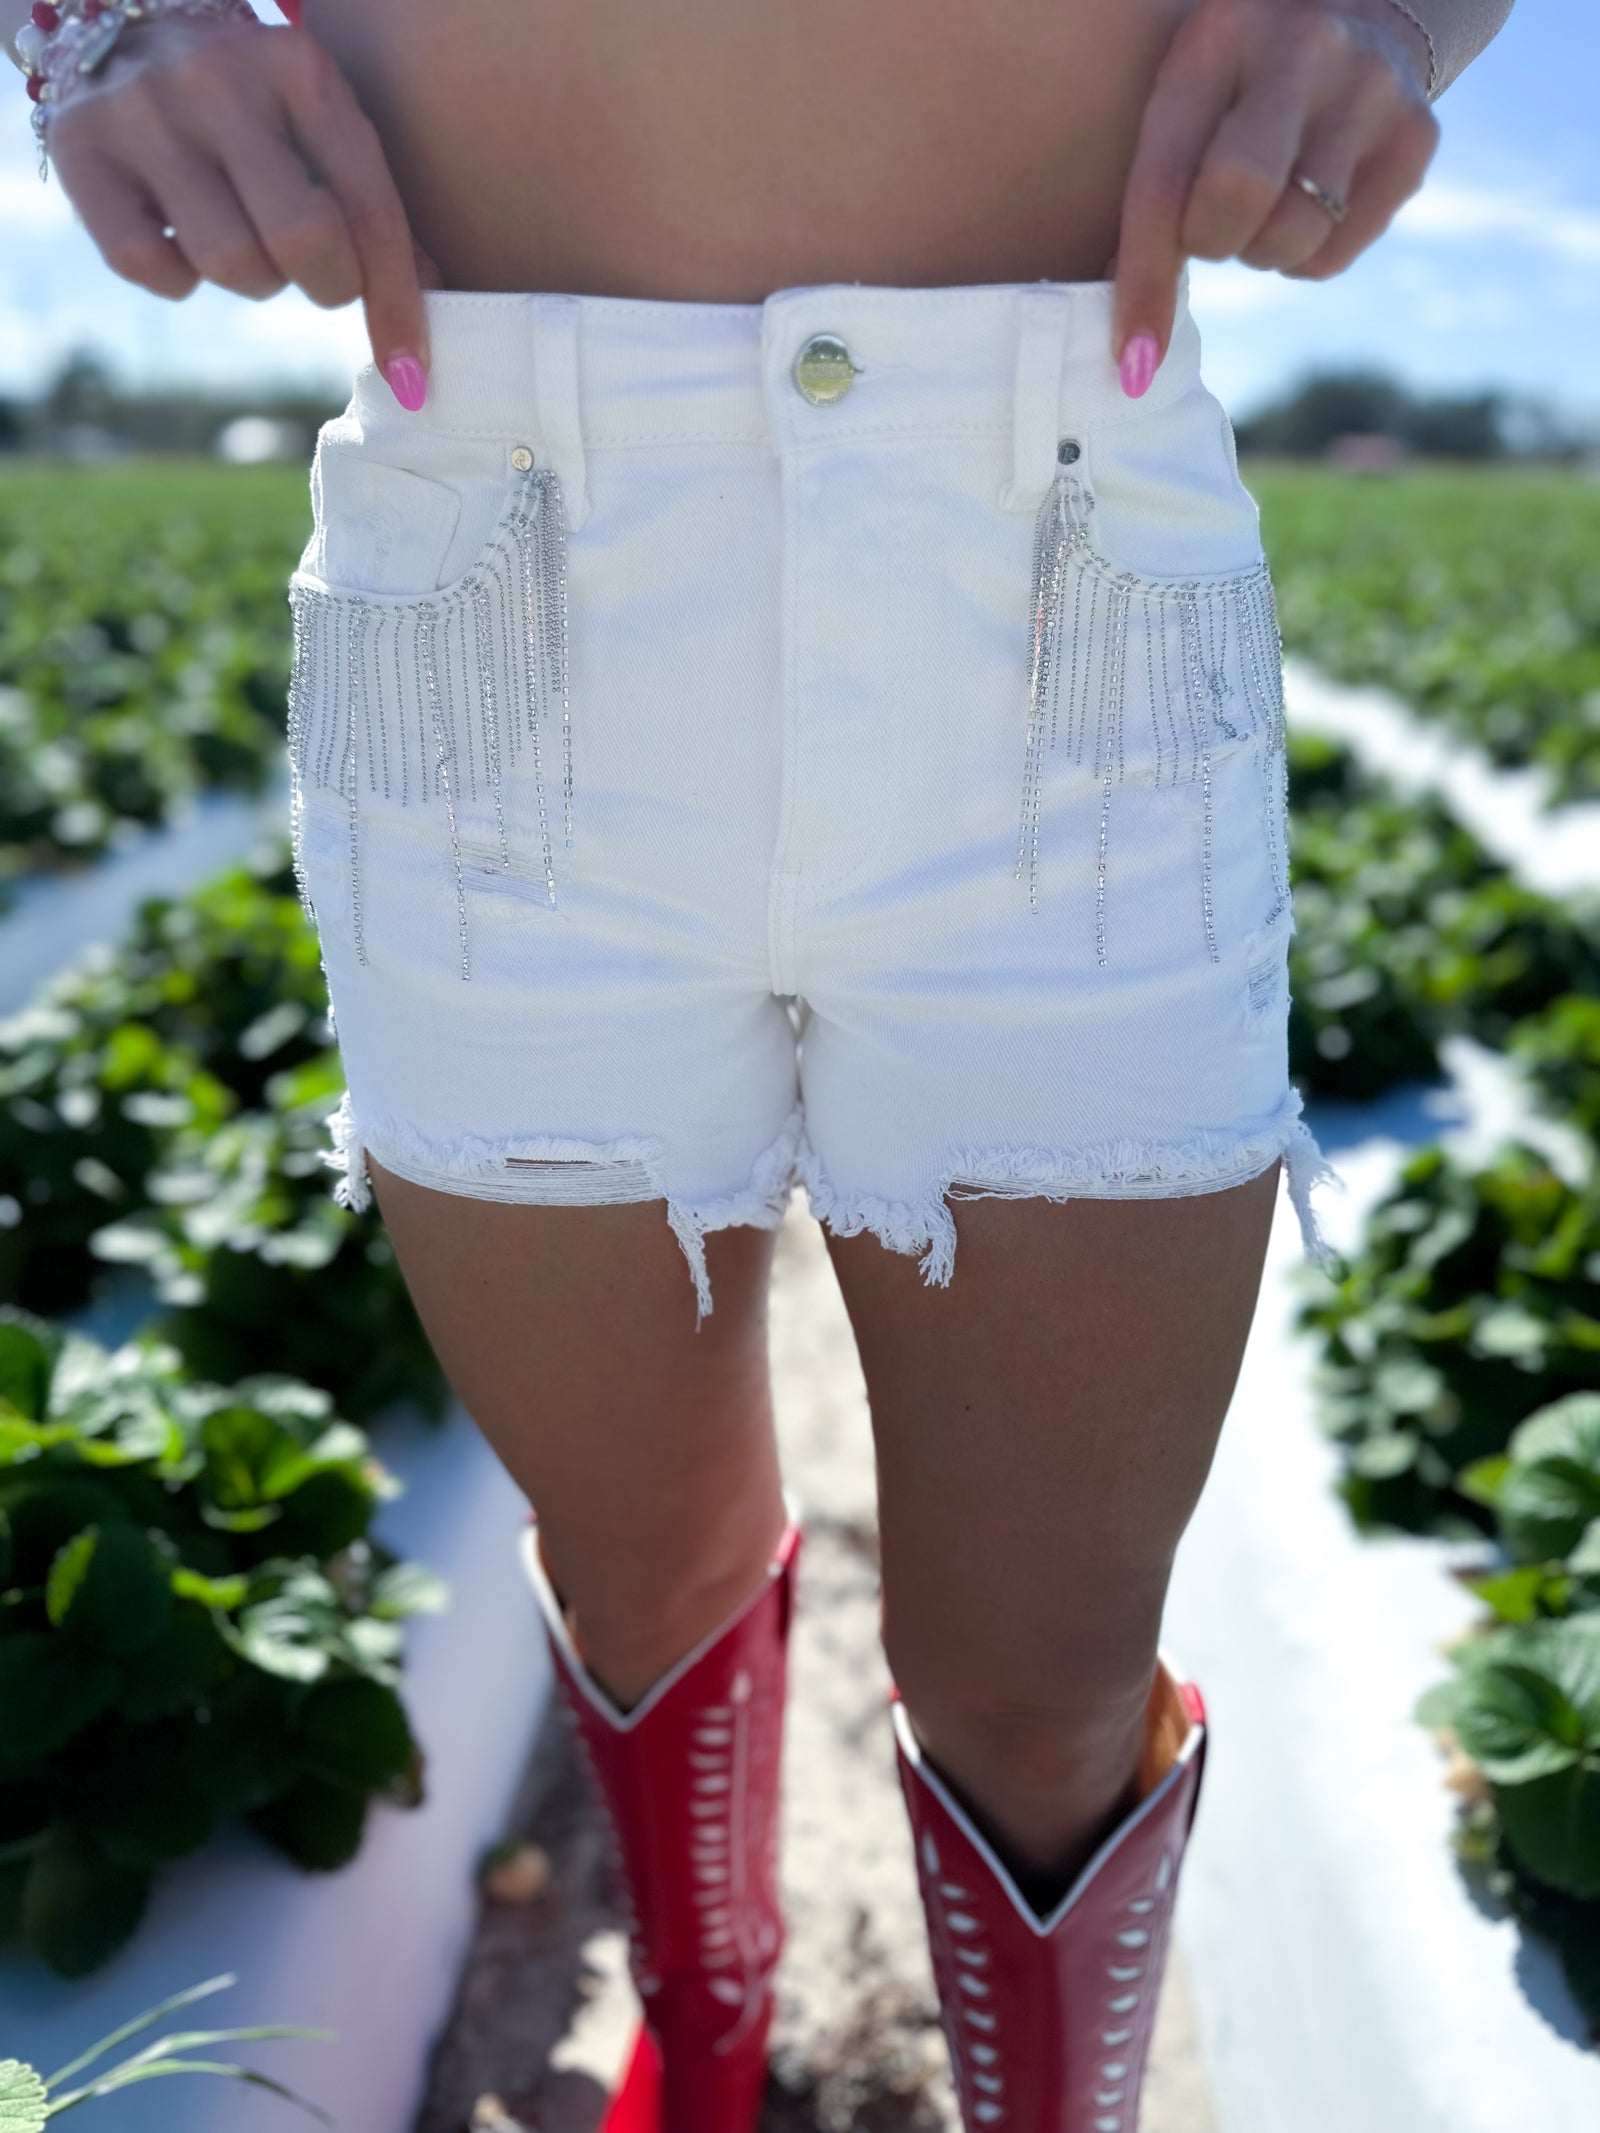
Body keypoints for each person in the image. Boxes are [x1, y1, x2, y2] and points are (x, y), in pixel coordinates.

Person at [9, 1, 1516, 2127]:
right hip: (490, 585)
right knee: (641, 1562)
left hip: (1057, 564)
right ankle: (707, 2040)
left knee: (1044, 1677)